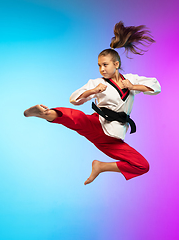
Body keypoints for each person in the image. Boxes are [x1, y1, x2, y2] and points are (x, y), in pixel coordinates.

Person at [24, 21, 161, 185]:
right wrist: (93, 91)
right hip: (98, 124)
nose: (102, 69)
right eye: (99, 66)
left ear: (116, 64)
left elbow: (155, 86)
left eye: (105, 65)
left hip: (114, 138)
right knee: (76, 118)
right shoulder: (96, 82)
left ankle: (101, 166)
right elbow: (74, 99)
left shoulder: (131, 80)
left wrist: (133, 86)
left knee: (142, 165)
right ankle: (44, 113)